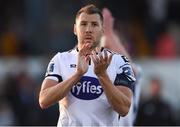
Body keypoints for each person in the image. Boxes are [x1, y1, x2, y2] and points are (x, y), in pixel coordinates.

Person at [39, 4, 136, 126]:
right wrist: (77, 75)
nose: (88, 29)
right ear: (75, 29)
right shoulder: (60, 59)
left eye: (94, 25)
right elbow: (43, 100)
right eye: (83, 24)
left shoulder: (120, 62)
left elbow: (124, 109)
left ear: (103, 30)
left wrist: (102, 76)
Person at [101, 7, 142, 126]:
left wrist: (109, 33)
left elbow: (130, 69)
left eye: (111, 47)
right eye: (105, 48)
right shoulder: (96, 70)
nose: (108, 52)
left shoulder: (133, 69)